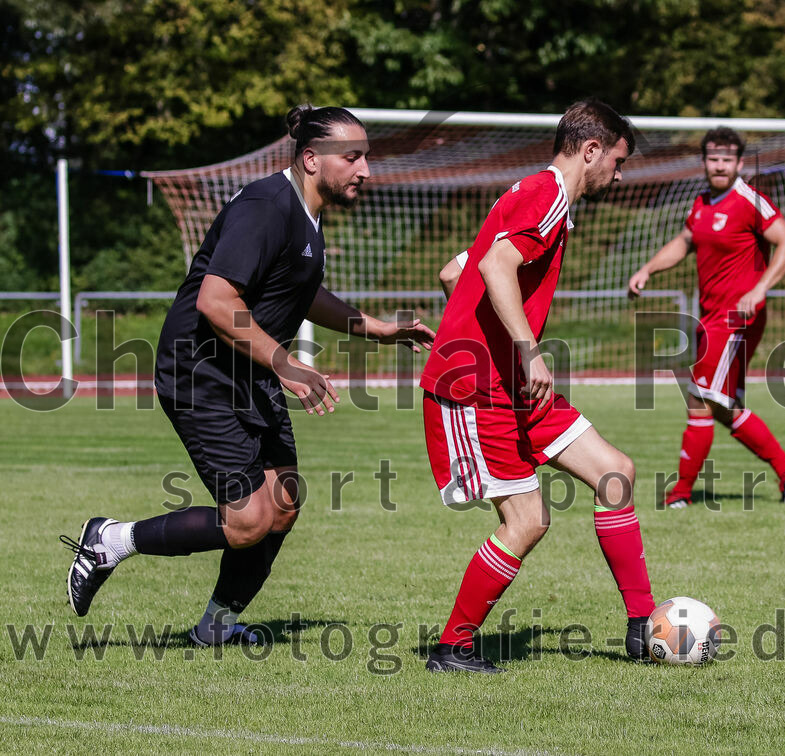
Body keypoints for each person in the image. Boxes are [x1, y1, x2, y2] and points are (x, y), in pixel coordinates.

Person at [61, 104, 434, 645]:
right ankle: (110, 540)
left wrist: (374, 329)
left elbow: (302, 292)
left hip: (247, 370)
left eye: (366, 158)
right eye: (352, 157)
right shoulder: (265, 206)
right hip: (202, 371)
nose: (365, 170)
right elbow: (215, 300)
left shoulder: (305, 217)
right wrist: (284, 361)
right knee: (248, 521)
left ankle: (215, 627)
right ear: (311, 158)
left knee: (281, 507)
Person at [420, 100, 656, 673]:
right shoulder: (547, 194)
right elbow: (494, 266)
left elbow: (457, 270)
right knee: (527, 521)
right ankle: (452, 646)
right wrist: (526, 351)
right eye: (618, 161)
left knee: (614, 473)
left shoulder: (536, 196)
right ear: (592, 150)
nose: (618, 175)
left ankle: (642, 623)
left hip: (509, 385)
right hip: (477, 389)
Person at [628, 127, 785, 509]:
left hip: (736, 318)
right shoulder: (702, 203)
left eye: (727, 159)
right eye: (713, 158)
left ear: (740, 163)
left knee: (699, 399)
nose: (720, 165)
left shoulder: (749, 199)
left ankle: (679, 494)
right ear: (704, 161)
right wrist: (648, 269)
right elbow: (684, 242)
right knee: (725, 407)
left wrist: (758, 290)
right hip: (712, 318)